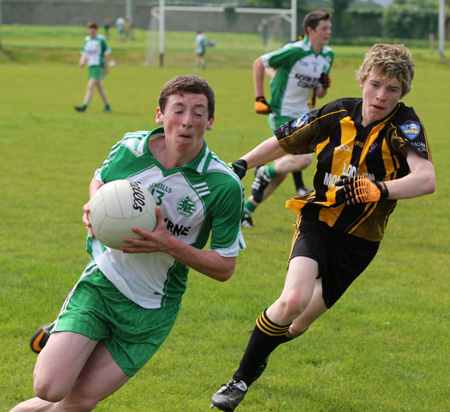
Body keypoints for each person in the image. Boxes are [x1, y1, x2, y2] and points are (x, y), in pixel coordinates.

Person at [210, 44, 435, 411]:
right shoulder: (336, 112)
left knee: (297, 325)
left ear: (403, 92)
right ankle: (240, 380)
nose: (381, 96)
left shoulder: (404, 126)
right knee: (292, 300)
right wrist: (241, 163)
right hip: (319, 219)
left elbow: (426, 179)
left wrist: (380, 188)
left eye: (392, 89)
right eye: (375, 84)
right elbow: (284, 141)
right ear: (362, 79)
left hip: (360, 241)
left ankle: (262, 345)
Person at [13, 75, 246, 412]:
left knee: (77, 402)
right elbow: (100, 179)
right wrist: (95, 207)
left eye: (198, 113)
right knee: (49, 387)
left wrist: (167, 244)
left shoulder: (222, 185)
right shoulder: (131, 148)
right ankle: (68, 331)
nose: (186, 121)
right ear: (159, 115)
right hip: (102, 283)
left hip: (152, 309)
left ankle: (64, 337)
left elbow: (225, 267)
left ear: (210, 122)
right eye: (178, 110)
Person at [242, 11, 333, 228]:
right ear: (310, 30)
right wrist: (260, 97)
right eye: (324, 29)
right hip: (281, 112)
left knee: (283, 171)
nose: (328, 32)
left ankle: (245, 210)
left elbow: (319, 94)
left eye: (329, 28)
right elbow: (259, 63)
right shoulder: (294, 51)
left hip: (304, 115)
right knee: (302, 160)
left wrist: (324, 86)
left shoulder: (328, 55)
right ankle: (263, 171)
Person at [74, 21, 112, 113]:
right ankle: (107, 106)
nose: (92, 30)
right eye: (90, 28)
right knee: (99, 88)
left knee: (90, 86)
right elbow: (84, 53)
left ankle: (84, 106)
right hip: (91, 65)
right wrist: (82, 61)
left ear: (96, 30)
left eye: (93, 28)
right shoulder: (87, 40)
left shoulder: (101, 39)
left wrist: (106, 66)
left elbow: (106, 53)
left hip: (98, 65)